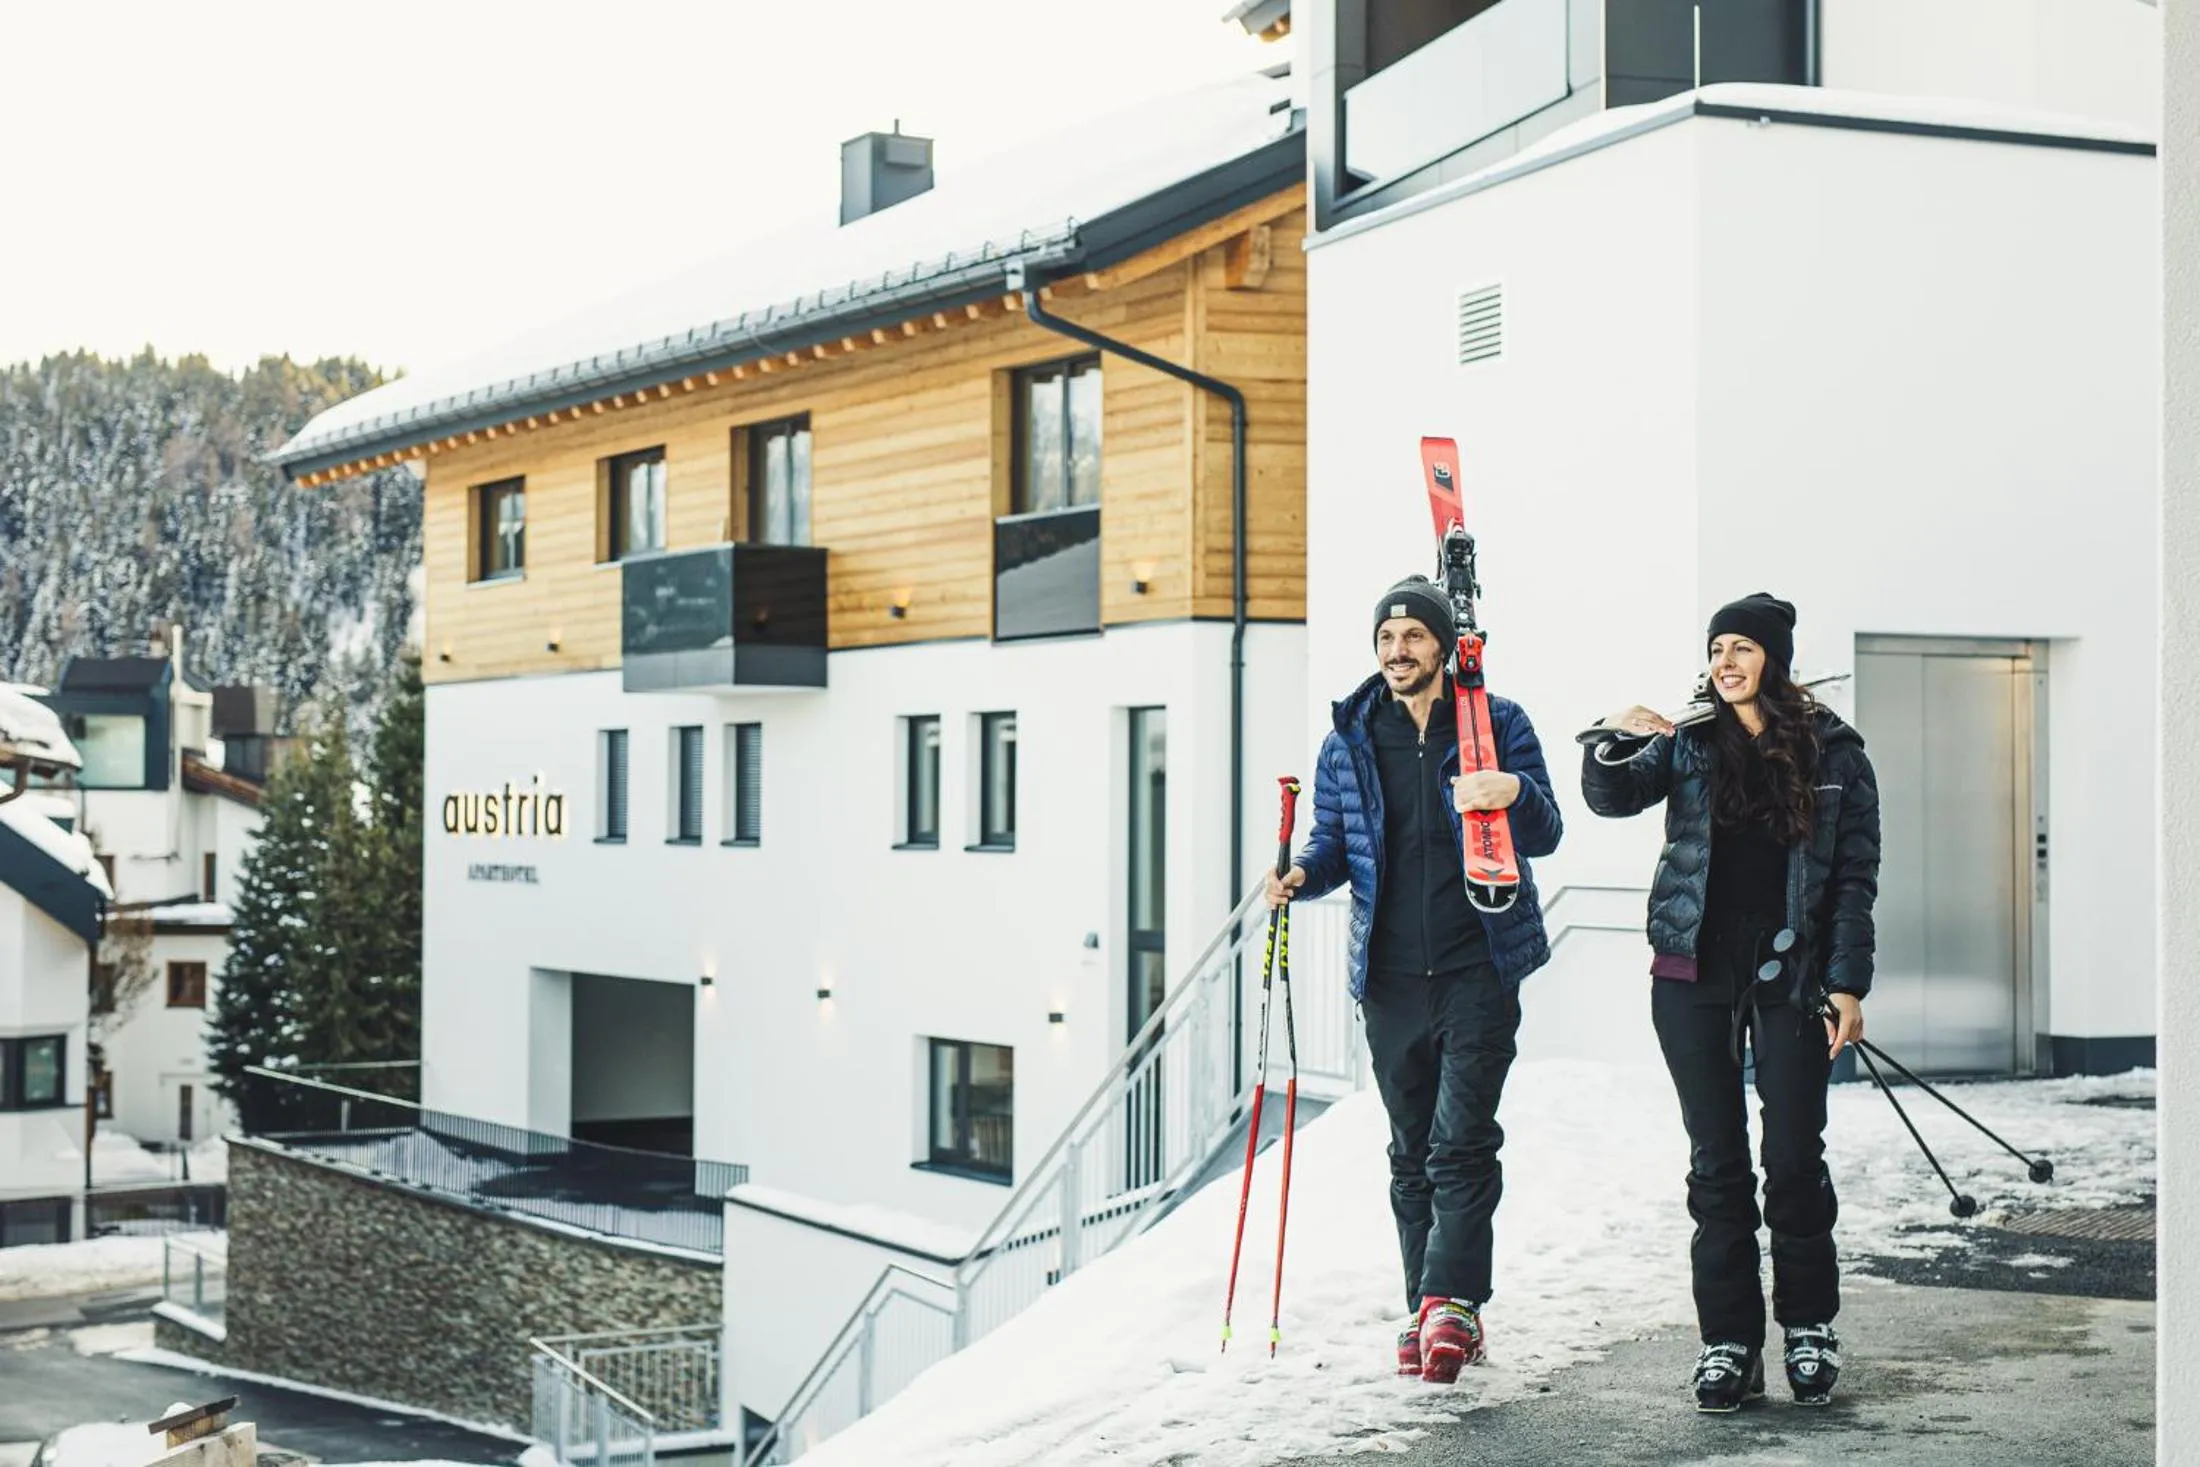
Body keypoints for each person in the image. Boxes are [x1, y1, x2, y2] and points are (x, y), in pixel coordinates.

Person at [1579, 592, 1881, 1413]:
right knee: (1716, 1164)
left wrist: (1848, 981)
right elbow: (1610, 795)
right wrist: (1613, 732)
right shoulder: (1688, 743)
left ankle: (1809, 1328)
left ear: (1774, 659)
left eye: (1742, 646)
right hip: (1694, 973)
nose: (1726, 662)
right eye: (1717, 648)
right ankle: (1730, 1341)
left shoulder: (1835, 753)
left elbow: (1854, 879)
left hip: (1793, 977)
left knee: (1792, 1159)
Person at [1267, 574, 1562, 1384]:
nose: (1397, 651)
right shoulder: (1349, 740)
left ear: (1443, 646)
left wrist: (1513, 789)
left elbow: (1546, 828)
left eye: (1413, 638)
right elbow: (1337, 844)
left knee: (1460, 1141)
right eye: (1385, 639)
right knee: (1410, 1151)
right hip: (1391, 976)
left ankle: (1452, 1304)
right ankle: (1424, 1307)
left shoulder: (1498, 725)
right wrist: (1302, 873)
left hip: (1479, 964)